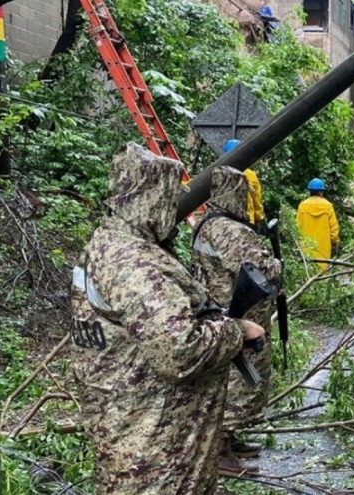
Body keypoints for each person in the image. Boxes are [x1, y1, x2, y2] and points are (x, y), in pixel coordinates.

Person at [69, 143, 266, 494]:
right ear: (152, 197)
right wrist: (235, 331)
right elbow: (178, 350)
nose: (177, 205)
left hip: (135, 430)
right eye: (171, 196)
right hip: (153, 448)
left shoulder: (111, 241)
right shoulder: (133, 263)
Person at [191, 166, 282, 477]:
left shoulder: (206, 225)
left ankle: (228, 440)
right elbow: (259, 270)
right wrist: (277, 264)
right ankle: (220, 450)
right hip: (240, 317)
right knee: (240, 381)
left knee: (231, 379)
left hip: (219, 313)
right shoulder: (231, 230)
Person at [297, 178, 340, 269]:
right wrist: (335, 241)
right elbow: (333, 229)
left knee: (307, 271)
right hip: (323, 248)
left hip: (306, 247)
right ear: (321, 192)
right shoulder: (328, 206)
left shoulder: (303, 206)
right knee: (322, 273)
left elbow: (297, 227)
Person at [223, 140, 265, 226]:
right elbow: (257, 203)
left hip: (224, 225)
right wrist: (258, 219)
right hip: (246, 224)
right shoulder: (250, 175)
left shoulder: (219, 173)